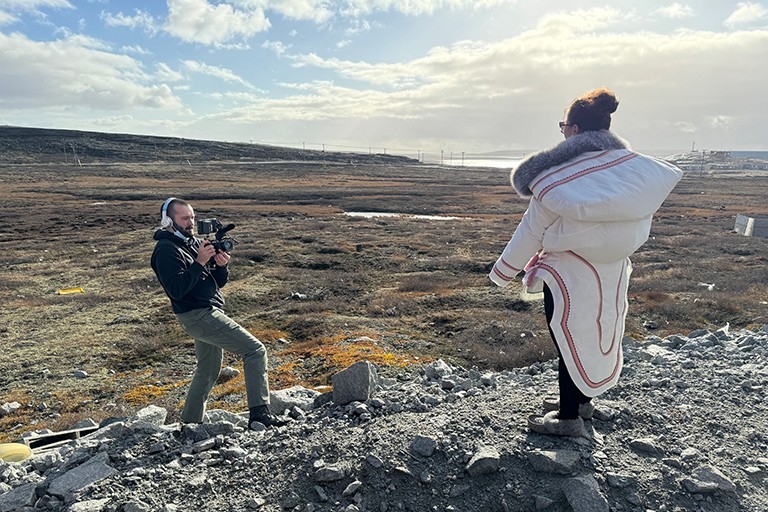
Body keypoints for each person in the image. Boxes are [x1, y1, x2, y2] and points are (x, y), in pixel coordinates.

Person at [489, 88, 683, 436]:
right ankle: (581, 401)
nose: (561, 130)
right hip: (613, 267)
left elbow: (531, 230)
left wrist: (501, 273)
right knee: (597, 330)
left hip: (567, 270)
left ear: (575, 131)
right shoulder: (632, 172)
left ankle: (567, 419)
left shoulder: (558, 177)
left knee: (568, 336)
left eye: (563, 125)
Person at [150, 197, 288, 429]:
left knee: (208, 369)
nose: (190, 222)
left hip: (206, 311)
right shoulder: (166, 250)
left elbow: (216, 283)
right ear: (167, 220)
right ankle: (259, 414)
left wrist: (221, 266)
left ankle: (190, 422)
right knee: (255, 351)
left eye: (192, 217)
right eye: (184, 218)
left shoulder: (192, 243)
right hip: (197, 314)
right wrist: (199, 262)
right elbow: (176, 290)